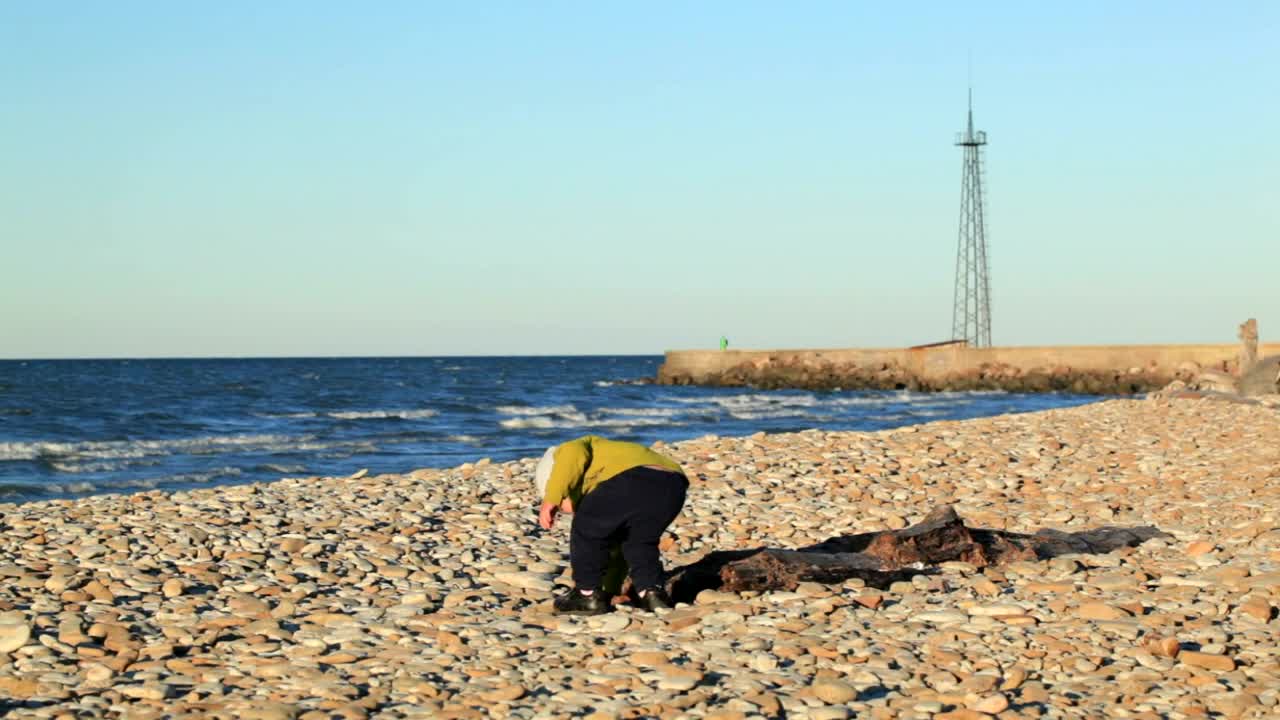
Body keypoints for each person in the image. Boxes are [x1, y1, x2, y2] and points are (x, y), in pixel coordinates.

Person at [535, 435, 688, 615]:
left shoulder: (569, 450)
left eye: (563, 502)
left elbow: (572, 454)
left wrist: (552, 497)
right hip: (673, 486)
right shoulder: (607, 464)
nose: (563, 508)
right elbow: (616, 553)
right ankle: (651, 594)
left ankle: (587, 594)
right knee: (637, 542)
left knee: (586, 529)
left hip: (631, 477)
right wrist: (611, 592)